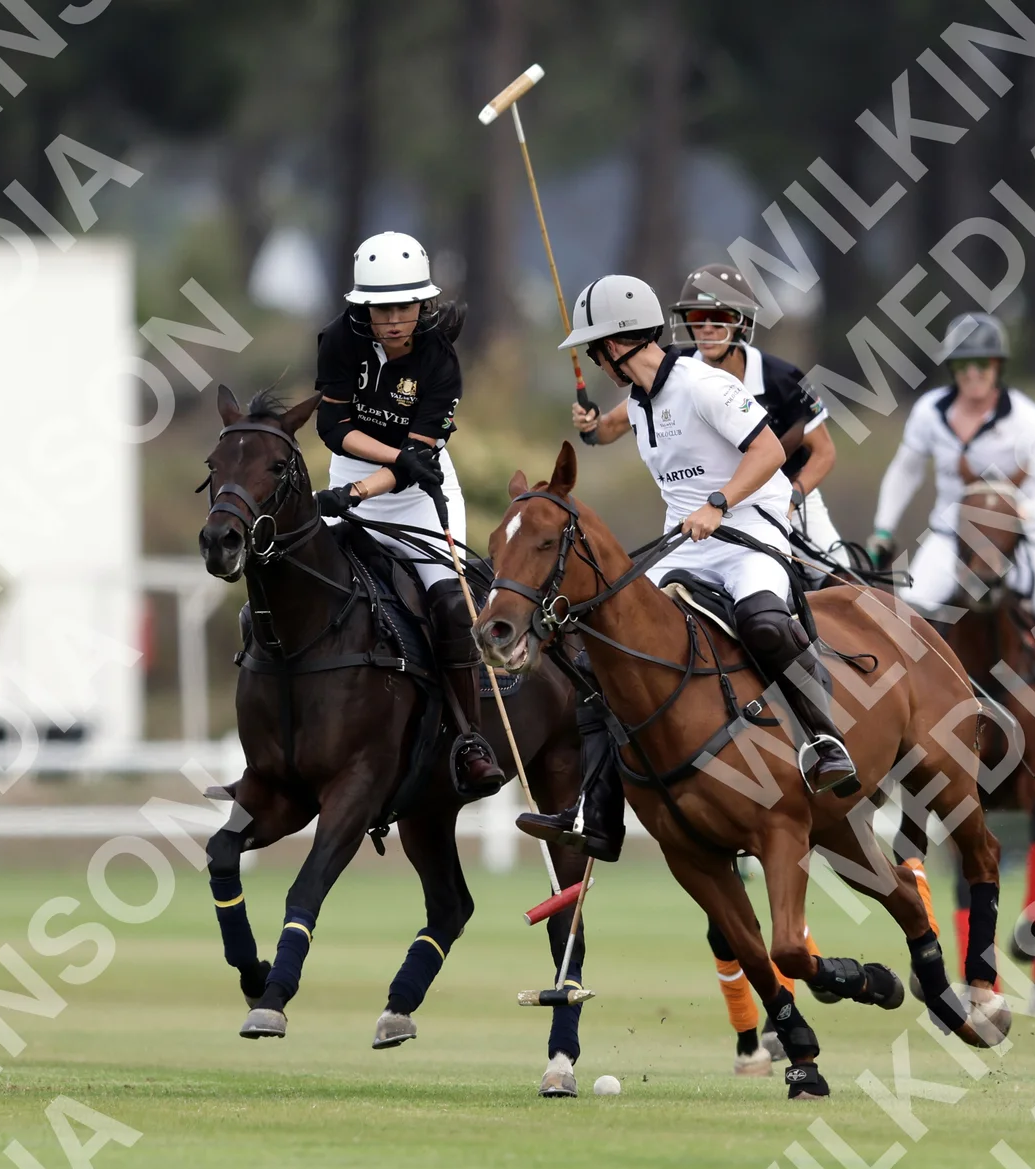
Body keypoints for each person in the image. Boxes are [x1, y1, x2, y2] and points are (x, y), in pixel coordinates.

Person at [517, 272, 858, 836]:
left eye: (595, 349)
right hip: (688, 545)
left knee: (764, 622)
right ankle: (597, 814)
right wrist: (593, 430)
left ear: (618, 343)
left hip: (751, 533)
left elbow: (770, 451)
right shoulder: (639, 402)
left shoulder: (704, 385)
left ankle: (825, 739)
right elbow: (606, 434)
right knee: (598, 660)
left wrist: (719, 503)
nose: (596, 361)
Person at [869, 311, 1035, 780]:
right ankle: (901, 731)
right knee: (908, 622)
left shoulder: (1029, 420)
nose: (973, 374)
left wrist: (1016, 515)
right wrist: (883, 528)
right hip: (950, 538)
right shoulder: (929, 412)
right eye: (964, 365)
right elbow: (905, 471)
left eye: (982, 364)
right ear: (953, 369)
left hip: (1018, 539)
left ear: (998, 366)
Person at [310, 230, 503, 798]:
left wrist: (364, 490)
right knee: (305, 586)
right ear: (363, 309)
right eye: (381, 309)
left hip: (420, 493)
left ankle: (469, 741)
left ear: (423, 304)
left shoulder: (441, 361)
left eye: (404, 307)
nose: (393, 320)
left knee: (452, 605)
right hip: (354, 470)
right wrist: (374, 473)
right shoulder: (338, 339)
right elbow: (332, 427)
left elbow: (421, 463)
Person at [577, 264, 847, 572]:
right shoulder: (671, 372)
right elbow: (613, 425)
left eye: (720, 318)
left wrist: (792, 500)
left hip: (789, 496)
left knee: (837, 574)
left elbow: (824, 452)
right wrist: (590, 427)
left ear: (742, 322)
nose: (707, 328)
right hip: (716, 508)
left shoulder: (784, 378)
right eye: (697, 317)